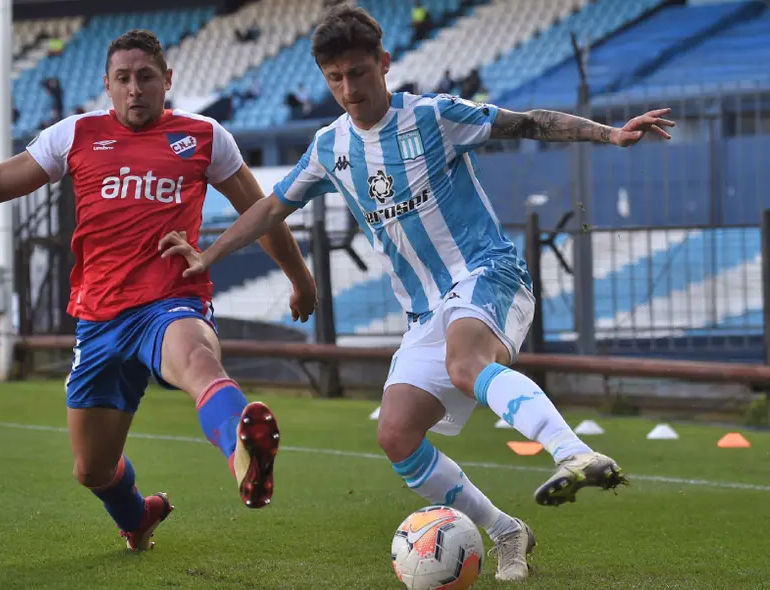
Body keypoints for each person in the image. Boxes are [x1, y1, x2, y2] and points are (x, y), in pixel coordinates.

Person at [159, 5, 675, 581]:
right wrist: (208, 253)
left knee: (464, 363)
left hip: (486, 272)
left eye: (358, 72)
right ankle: (508, 532)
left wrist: (610, 134)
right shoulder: (330, 147)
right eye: (335, 78)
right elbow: (270, 208)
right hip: (425, 310)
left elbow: (528, 122)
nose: (349, 89)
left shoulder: (434, 116)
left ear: (384, 62)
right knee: (396, 434)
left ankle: (573, 452)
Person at [0, 29, 317, 552]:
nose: (134, 89)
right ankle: (137, 518)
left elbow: (263, 213)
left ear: (167, 79)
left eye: (146, 77)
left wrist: (301, 279)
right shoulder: (75, 134)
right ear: (108, 84)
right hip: (98, 318)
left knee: (198, 361)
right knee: (91, 469)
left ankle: (245, 447)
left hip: (171, 302)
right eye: (123, 79)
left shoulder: (205, 136)